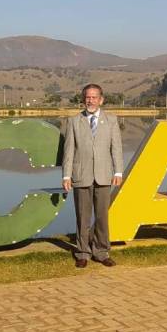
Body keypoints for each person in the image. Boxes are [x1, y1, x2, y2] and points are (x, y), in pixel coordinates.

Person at [62, 84, 124, 267]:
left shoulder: (111, 120)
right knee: (83, 217)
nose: (91, 100)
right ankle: (82, 253)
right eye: (88, 97)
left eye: (94, 97)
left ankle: (101, 252)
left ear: (101, 100)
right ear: (83, 99)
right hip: (81, 175)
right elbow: (69, 151)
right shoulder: (74, 121)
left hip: (104, 175)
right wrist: (66, 176)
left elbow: (116, 148)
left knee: (102, 217)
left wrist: (118, 171)